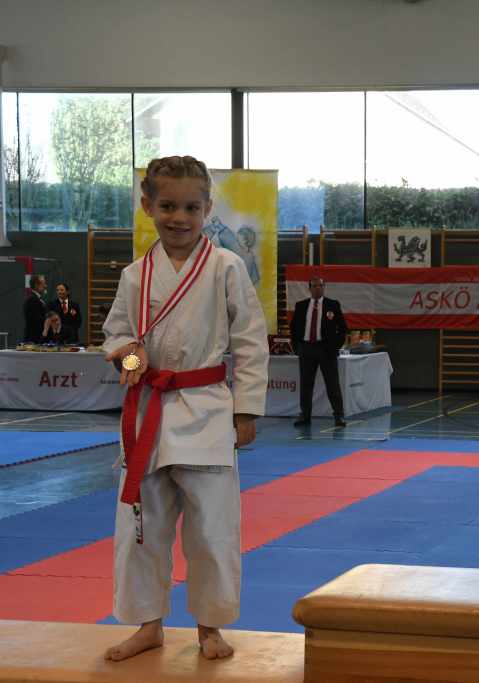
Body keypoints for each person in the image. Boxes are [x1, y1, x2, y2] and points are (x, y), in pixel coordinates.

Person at [101, 155, 269, 662]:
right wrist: (131, 357)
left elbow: (250, 341)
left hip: (207, 410)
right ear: (147, 205)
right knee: (141, 528)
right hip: (149, 410)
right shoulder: (136, 275)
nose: (179, 217)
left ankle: (209, 628)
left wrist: (246, 410)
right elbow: (117, 335)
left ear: (207, 208)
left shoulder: (226, 267)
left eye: (191, 208)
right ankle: (148, 625)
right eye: (168, 206)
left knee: (212, 527)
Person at [290, 276, 348, 427]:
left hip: (326, 349)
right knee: (306, 384)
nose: (318, 288)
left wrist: (334, 347)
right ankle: (305, 415)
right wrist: (297, 347)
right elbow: (294, 328)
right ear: (309, 288)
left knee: (332, 384)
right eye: (315, 286)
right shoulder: (301, 306)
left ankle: (339, 416)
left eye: (320, 286)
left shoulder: (332, 305)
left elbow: (343, 329)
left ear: (324, 287)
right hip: (306, 348)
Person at [22, 274, 48, 343]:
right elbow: (36, 322)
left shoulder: (37, 299)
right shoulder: (32, 300)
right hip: (34, 340)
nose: (45, 286)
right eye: (44, 284)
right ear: (36, 285)